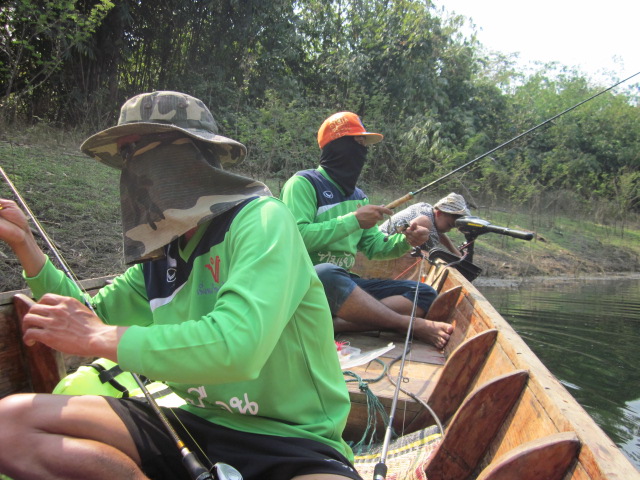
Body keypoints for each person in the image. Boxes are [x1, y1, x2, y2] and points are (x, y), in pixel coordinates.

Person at [0, 92, 362, 480]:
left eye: (143, 149)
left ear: (196, 157)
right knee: (10, 426)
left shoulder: (262, 221)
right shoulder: (161, 256)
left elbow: (236, 348)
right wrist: (27, 246)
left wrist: (100, 336)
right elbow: (86, 317)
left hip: (294, 441)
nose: (135, 169)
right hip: (194, 425)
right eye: (127, 155)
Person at [280, 111, 453, 349]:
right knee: (326, 273)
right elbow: (296, 237)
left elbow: (375, 247)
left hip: (345, 287)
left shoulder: (359, 196)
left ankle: (337, 324)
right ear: (337, 146)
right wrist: (353, 221)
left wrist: (407, 241)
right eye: (357, 143)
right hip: (306, 284)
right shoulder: (303, 184)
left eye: (364, 145)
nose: (362, 151)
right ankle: (408, 324)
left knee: (423, 293)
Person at [379, 192, 471, 256]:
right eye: (449, 225)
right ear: (439, 213)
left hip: (378, 236)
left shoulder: (427, 209)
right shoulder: (424, 222)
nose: (448, 230)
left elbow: (441, 235)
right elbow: (430, 253)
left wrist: (456, 253)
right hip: (381, 246)